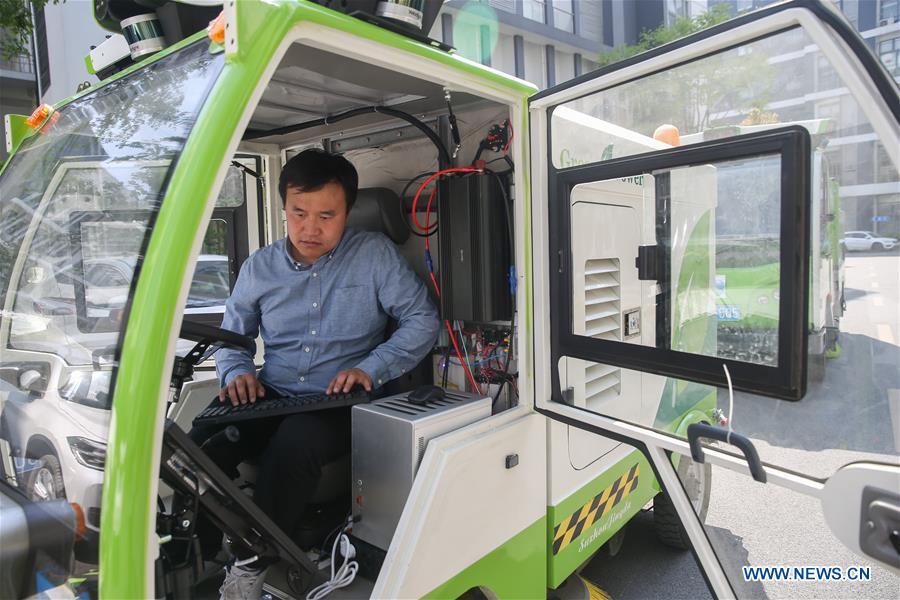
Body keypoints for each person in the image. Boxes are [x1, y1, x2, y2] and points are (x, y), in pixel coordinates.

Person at [195, 149, 440, 599]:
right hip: (273, 390)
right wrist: (237, 371)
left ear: (347, 212)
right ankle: (204, 551)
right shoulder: (260, 267)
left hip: (339, 400)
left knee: (296, 441)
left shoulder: (373, 256)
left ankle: (251, 566)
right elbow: (234, 336)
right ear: (284, 209)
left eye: (327, 215)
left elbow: (422, 320)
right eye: (299, 213)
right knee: (200, 441)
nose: (311, 228)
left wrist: (370, 367)